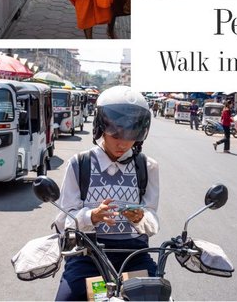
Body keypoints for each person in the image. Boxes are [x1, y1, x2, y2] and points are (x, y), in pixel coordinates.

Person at [53, 86, 159, 300]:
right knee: (67, 298)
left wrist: (142, 218)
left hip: (134, 254)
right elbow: (66, 219)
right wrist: (90, 216)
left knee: (157, 295)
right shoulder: (79, 164)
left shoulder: (148, 167)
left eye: (131, 136)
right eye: (116, 134)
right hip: (88, 255)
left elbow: (153, 219)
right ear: (101, 128)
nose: (123, 143)